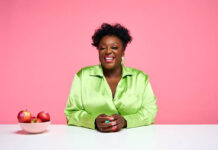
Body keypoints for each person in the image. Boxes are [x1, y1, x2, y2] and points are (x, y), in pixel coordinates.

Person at [64, 23, 158, 132]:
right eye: (102, 48)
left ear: (123, 52)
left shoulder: (140, 78)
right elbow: (71, 113)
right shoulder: (82, 76)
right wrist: (93, 121)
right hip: (90, 141)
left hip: (133, 141)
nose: (108, 51)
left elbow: (150, 112)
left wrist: (126, 121)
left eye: (114, 47)